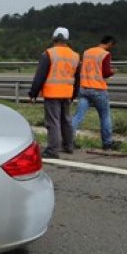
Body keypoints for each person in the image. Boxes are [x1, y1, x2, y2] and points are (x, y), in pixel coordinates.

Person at [28, 27, 81, 159]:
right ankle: (68, 146)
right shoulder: (75, 55)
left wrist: (33, 93)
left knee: (53, 121)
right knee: (66, 120)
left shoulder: (49, 54)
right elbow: (78, 78)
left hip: (52, 93)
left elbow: (40, 76)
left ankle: (52, 149)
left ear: (54, 38)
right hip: (67, 93)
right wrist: (74, 94)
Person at [72, 36, 121, 150]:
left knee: (78, 116)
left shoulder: (87, 52)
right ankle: (107, 143)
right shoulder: (105, 54)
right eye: (111, 46)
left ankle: (68, 140)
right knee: (105, 116)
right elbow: (105, 72)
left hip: (84, 88)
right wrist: (113, 72)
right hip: (98, 89)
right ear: (109, 43)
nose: (110, 48)